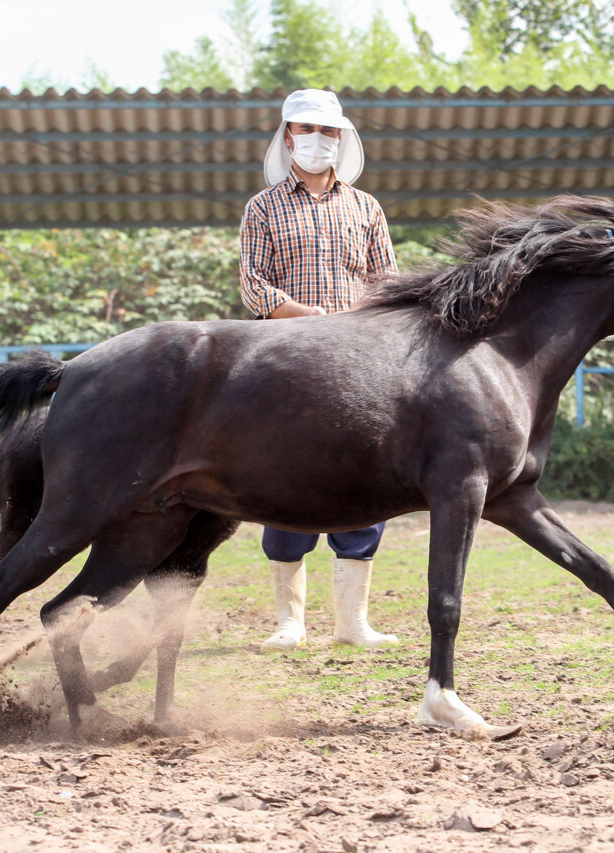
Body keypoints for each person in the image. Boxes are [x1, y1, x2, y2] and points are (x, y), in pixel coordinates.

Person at [238, 88, 399, 652]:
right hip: (288, 362)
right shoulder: (262, 208)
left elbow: (388, 282)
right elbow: (252, 284)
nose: (318, 140)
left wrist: (355, 318)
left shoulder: (367, 209)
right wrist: (307, 316)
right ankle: (290, 622)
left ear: (342, 138)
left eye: (328, 131)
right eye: (307, 129)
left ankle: (353, 624)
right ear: (287, 136)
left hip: (359, 363)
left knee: (363, 476)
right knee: (287, 476)